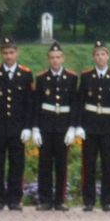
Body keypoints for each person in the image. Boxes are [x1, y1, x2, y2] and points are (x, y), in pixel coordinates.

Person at [0, 37, 33, 211]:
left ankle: (14, 198)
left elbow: (29, 104)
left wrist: (28, 126)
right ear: (1, 54)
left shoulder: (25, 74)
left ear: (17, 53)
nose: (8, 56)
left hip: (17, 128)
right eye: (5, 52)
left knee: (16, 164)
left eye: (11, 52)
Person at [76, 40, 110, 212]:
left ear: (108, 56)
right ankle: (88, 200)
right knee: (88, 164)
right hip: (90, 125)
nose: (100, 57)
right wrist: (78, 125)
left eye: (103, 54)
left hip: (108, 126)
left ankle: (107, 201)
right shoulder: (87, 76)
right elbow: (80, 101)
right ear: (93, 57)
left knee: (108, 165)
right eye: (97, 54)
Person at [33, 42, 79, 211]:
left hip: (63, 127)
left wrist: (73, 127)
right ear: (48, 59)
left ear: (63, 58)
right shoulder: (41, 78)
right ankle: (45, 199)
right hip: (46, 126)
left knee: (61, 164)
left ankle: (60, 200)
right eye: (52, 57)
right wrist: (35, 128)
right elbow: (36, 105)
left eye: (58, 57)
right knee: (44, 164)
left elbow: (75, 104)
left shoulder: (72, 78)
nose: (55, 60)